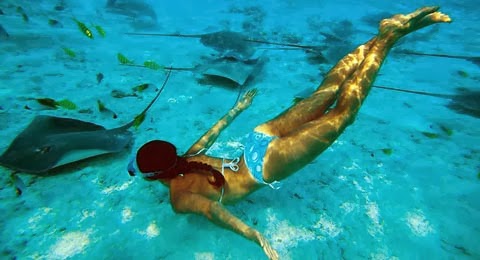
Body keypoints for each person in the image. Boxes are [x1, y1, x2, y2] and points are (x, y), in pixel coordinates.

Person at [129, 7, 451, 259]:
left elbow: (214, 212)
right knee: (325, 92)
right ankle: (387, 35)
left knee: (343, 114)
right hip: (258, 138)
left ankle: (389, 37)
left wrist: (256, 237)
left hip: (264, 166)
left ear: (153, 177)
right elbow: (212, 132)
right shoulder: (189, 155)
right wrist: (237, 110)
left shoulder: (180, 198)